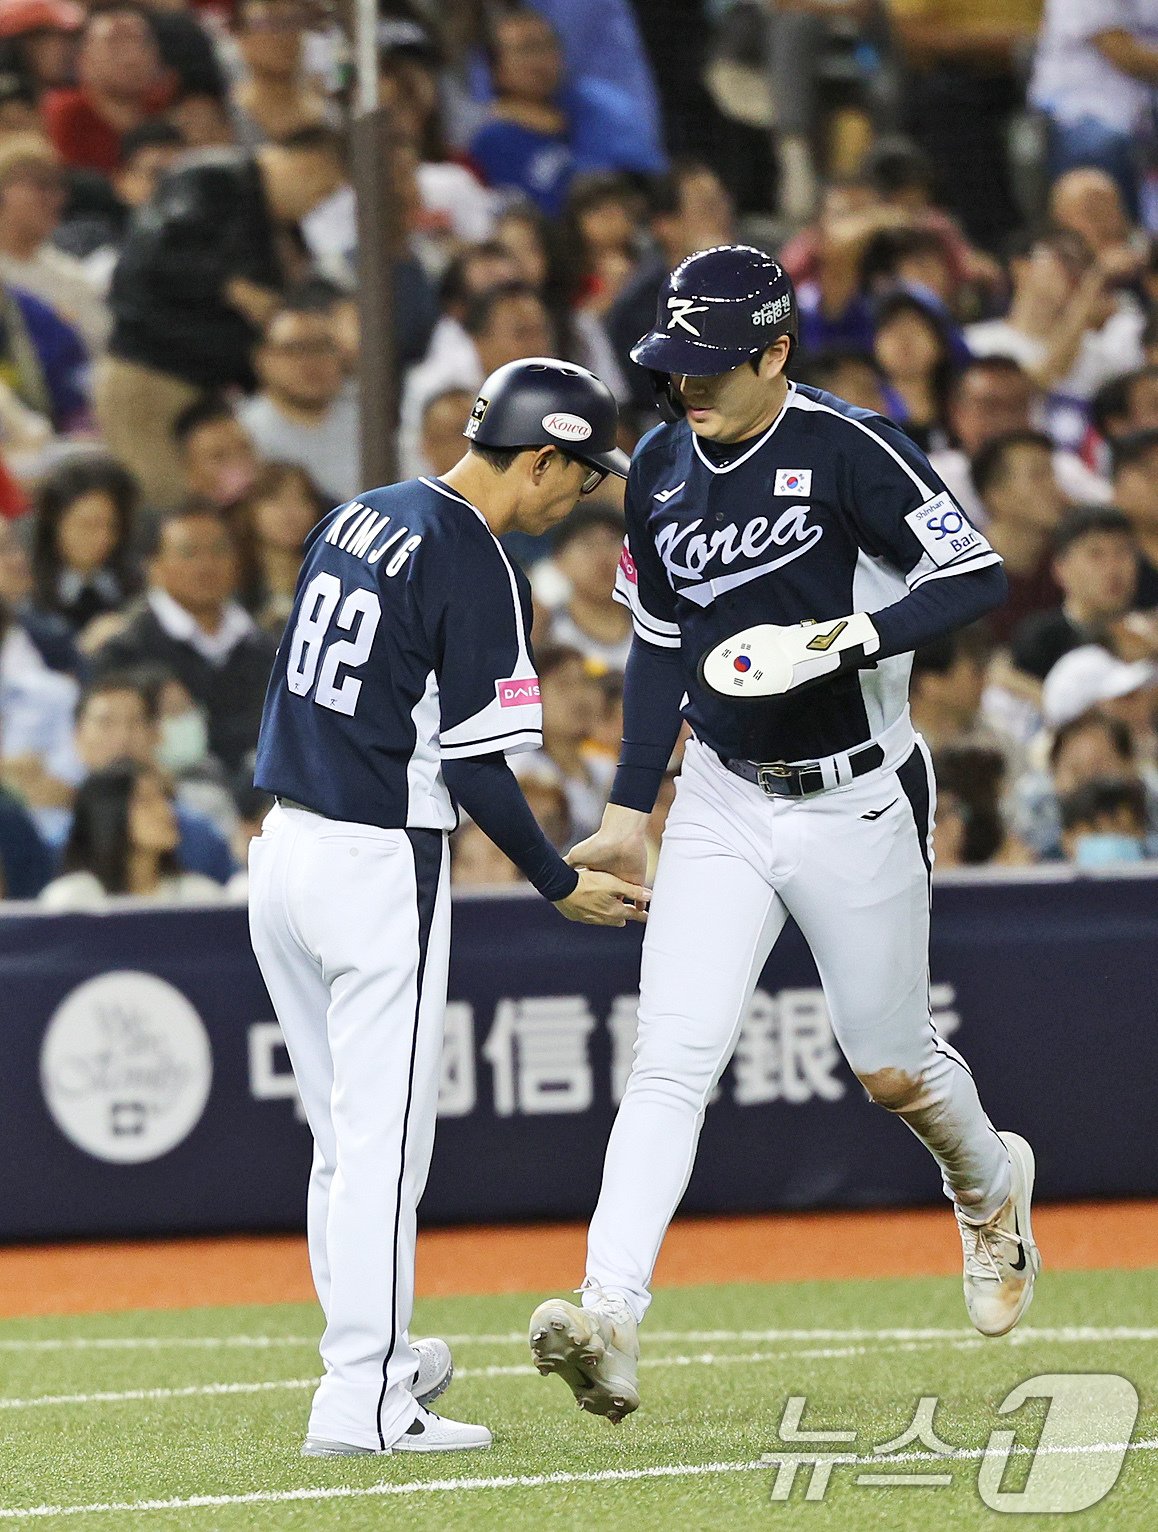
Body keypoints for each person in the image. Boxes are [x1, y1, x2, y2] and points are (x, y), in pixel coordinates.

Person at [527, 245, 1039, 1426]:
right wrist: (625, 803)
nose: (686, 387)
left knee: (891, 1060)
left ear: (776, 351)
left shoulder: (847, 445)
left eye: (712, 365)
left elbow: (975, 572)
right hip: (719, 789)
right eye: (672, 364)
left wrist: (854, 635)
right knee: (672, 1055)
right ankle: (610, 1312)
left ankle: (988, 1186)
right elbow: (658, 641)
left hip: (856, 792)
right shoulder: (660, 462)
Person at [248, 357, 649, 1457]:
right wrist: (559, 881)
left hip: (283, 847)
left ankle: (369, 1354)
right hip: (377, 860)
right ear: (541, 456)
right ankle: (366, 1393)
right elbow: (477, 772)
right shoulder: (475, 556)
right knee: (384, 1146)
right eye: (578, 470)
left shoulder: (362, 512)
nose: (582, 490)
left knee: (344, 1140)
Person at [97, 127, 349, 508]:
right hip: (150, 378)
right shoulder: (213, 179)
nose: (318, 204)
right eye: (323, 189)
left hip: (208, 389)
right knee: (168, 508)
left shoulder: (277, 229)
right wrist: (230, 285)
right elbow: (144, 263)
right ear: (305, 165)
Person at [89, 505, 277, 776]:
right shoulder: (125, 648)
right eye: (189, 553)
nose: (206, 566)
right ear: (154, 565)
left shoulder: (265, 647)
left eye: (219, 551)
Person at [1030, 0, 1158, 218]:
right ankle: (1115, 245)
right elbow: (1126, 56)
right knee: (1103, 146)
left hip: (1141, 107)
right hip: (1077, 109)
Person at [38, 760, 224, 908]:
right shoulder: (72, 902)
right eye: (146, 801)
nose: (166, 811)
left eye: (166, 798)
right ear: (108, 816)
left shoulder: (199, 899)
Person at [238, 300, 359, 505]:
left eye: (321, 348)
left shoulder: (369, 416)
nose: (310, 362)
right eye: (294, 349)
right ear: (262, 359)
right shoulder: (242, 429)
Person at [0, 132, 109, 352]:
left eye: (58, 187)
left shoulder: (72, 278)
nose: (55, 199)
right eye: (40, 186)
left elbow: (99, 350)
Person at [1011, 505, 1141, 681]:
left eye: (1122, 552)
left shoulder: (1149, 633)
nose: (1112, 569)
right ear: (1060, 569)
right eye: (1095, 555)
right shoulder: (1041, 641)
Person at [41, 4, 172, 174]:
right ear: (84, 60)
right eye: (115, 44)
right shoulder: (65, 115)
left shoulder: (168, 107)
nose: (132, 57)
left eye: (142, 43)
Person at [29, 452, 140, 636]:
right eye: (87, 525)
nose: (102, 538)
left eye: (112, 526)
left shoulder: (136, 588)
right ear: (54, 523)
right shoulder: (30, 594)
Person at [970, 432, 1065, 643]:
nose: (1055, 488)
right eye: (1038, 476)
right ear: (995, 495)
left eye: (1052, 475)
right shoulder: (964, 578)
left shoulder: (1069, 561)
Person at [540, 504, 632, 669]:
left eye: (612, 541)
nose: (602, 557)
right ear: (558, 560)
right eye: (587, 544)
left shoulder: (654, 624)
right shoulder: (543, 629)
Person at [174, 396, 260, 512]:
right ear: (191, 474)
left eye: (245, 449)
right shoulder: (181, 528)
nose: (239, 463)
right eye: (219, 457)